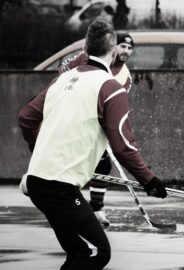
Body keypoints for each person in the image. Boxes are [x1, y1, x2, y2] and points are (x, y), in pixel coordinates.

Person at [18, 19, 167, 270]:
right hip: (60, 189)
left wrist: (39, 152)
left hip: (35, 184)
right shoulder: (111, 88)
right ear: (113, 51)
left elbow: (26, 118)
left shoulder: (62, 80)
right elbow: (124, 147)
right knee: (100, 252)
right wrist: (149, 181)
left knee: (78, 252)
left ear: (86, 48)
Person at [60, 31, 135, 228]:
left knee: (102, 165)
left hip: (94, 125)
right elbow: (63, 70)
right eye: (122, 46)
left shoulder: (126, 77)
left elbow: (114, 108)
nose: (126, 50)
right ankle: (69, 207)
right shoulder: (91, 58)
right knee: (71, 167)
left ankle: (96, 209)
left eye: (129, 47)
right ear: (112, 47)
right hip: (72, 119)